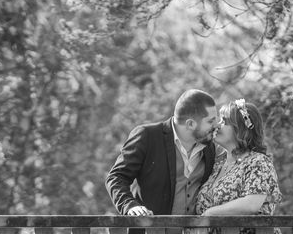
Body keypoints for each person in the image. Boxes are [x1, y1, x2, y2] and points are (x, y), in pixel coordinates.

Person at [106, 89, 219, 223]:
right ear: (190, 124)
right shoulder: (147, 136)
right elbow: (116, 177)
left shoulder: (209, 148)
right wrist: (129, 206)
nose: (216, 125)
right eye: (211, 121)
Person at [195, 99, 281, 234]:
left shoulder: (258, 162)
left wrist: (211, 213)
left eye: (224, 121)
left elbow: (251, 204)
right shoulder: (217, 165)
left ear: (240, 129)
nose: (217, 125)